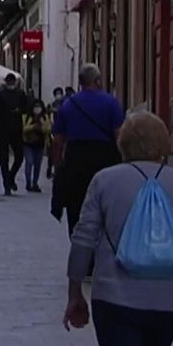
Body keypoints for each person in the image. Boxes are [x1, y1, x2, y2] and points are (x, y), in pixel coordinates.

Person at [63, 112, 173, 346]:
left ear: (122, 143)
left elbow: (83, 240)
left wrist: (75, 292)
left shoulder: (105, 181)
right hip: (171, 301)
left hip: (116, 298)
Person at [51, 63, 123, 238]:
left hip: (76, 161)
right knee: (105, 206)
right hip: (105, 160)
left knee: (77, 207)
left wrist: (57, 166)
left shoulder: (68, 106)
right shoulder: (111, 103)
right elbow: (120, 136)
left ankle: (78, 245)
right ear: (98, 81)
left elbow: (58, 141)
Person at [0, 73, 28, 195]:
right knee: (3, 159)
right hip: (2, 130)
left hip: (16, 129)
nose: (11, 84)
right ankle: (6, 184)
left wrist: (19, 111)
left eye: (12, 82)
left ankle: (10, 177)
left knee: (19, 157)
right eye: (9, 82)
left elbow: (26, 108)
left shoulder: (20, 94)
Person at [22, 99, 51, 193]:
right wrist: (33, 127)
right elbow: (23, 129)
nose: (37, 109)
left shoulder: (45, 117)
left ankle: (35, 183)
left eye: (39, 107)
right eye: (35, 107)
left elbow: (48, 129)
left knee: (38, 165)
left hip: (40, 144)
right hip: (28, 143)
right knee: (29, 162)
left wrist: (42, 124)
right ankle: (28, 182)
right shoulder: (27, 117)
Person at [46, 87, 65, 179]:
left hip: (62, 131)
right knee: (53, 152)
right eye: (57, 93)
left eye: (59, 93)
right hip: (54, 130)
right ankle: (51, 167)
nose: (58, 95)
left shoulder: (65, 104)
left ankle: (57, 169)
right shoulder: (53, 104)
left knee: (59, 152)